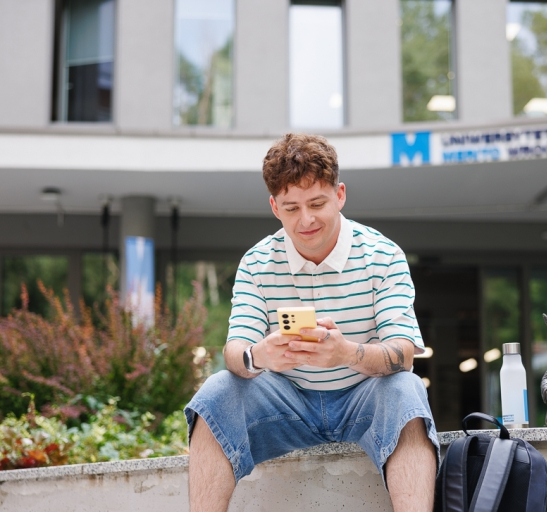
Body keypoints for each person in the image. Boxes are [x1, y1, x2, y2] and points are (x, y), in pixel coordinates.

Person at [184, 133, 439, 512]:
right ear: (274, 206)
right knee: (217, 390)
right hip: (287, 402)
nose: (306, 220)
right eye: (291, 208)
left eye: (317, 203)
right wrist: (260, 356)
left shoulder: (383, 255)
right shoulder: (256, 263)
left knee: (407, 388)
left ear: (340, 195)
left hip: (364, 396)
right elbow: (235, 350)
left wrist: (347, 354)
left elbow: (403, 353)